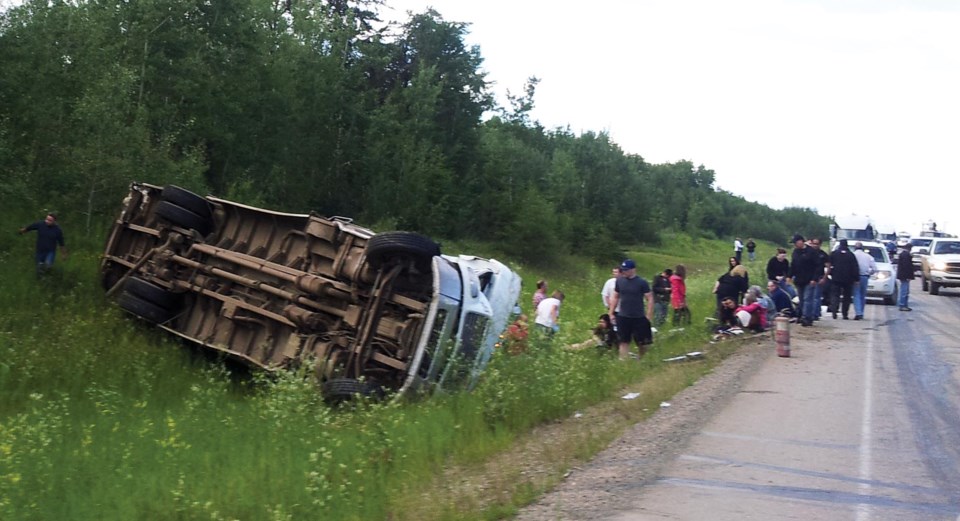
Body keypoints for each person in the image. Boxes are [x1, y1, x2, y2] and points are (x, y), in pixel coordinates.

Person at [607, 259, 654, 360]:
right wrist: (611, 312)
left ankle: (641, 359)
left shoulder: (642, 282)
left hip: (638, 316)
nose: (624, 272)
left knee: (642, 342)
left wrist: (649, 315)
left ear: (633, 270)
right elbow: (615, 296)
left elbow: (649, 298)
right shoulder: (619, 281)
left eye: (626, 270)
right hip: (623, 316)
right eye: (623, 270)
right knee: (623, 341)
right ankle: (623, 362)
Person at [789, 234, 820, 327]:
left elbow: (818, 266)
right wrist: (789, 276)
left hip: (809, 280)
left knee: (807, 299)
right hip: (799, 280)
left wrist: (815, 278)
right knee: (801, 299)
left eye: (795, 242)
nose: (795, 245)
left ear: (801, 241)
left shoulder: (811, 252)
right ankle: (802, 315)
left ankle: (807, 318)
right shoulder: (795, 252)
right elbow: (793, 265)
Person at [828, 239, 859, 320]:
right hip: (848, 279)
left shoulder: (834, 254)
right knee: (847, 297)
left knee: (835, 295)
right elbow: (855, 267)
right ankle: (845, 314)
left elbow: (829, 265)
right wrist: (856, 279)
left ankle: (834, 311)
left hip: (836, 278)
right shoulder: (851, 255)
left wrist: (830, 274)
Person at [852, 241, 878, 320]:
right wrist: (869, 273)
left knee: (856, 295)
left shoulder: (853, 255)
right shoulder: (868, 256)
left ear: (855, 247)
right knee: (862, 295)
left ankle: (858, 312)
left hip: (855, 277)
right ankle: (861, 313)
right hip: (865, 277)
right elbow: (874, 268)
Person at [809, 238, 830, 321]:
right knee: (810, 297)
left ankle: (815, 314)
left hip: (819, 277)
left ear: (820, 245)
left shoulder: (823, 255)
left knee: (816, 297)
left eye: (816, 244)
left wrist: (824, 278)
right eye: (813, 243)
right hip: (809, 278)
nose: (815, 245)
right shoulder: (808, 253)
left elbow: (828, 267)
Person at [896, 243, 914, 311]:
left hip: (903, 275)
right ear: (909, 248)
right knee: (904, 291)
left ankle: (904, 305)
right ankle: (902, 305)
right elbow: (907, 267)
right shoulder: (906, 255)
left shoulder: (903, 254)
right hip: (905, 276)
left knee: (905, 291)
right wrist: (908, 276)